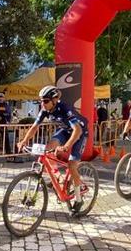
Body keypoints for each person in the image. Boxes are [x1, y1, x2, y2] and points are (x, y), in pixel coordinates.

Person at [16, 85, 89, 215]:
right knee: (47, 149)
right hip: (65, 131)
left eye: (45, 101)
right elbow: (34, 127)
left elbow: (77, 130)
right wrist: (24, 141)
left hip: (79, 132)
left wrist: (66, 146)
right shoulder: (45, 110)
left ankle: (78, 199)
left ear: (54, 100)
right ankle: (58, 178)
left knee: (72, 166)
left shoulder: (64, 108)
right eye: (41, 101)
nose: (42, 104)